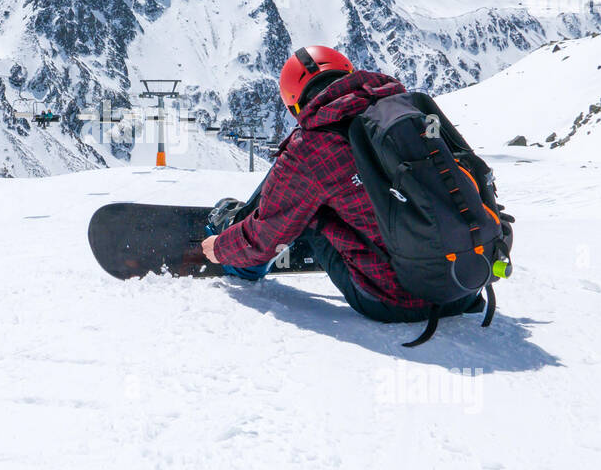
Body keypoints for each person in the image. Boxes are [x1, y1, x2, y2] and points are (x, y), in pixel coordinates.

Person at [201, 46, 483, 325]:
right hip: (467, 283)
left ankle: (244, 262)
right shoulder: (411, 110)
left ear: (295, 105)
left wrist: (221, 247)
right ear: (348, 74)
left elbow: (266, 237)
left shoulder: (311, 147)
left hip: (395, 301)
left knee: (302, 202)